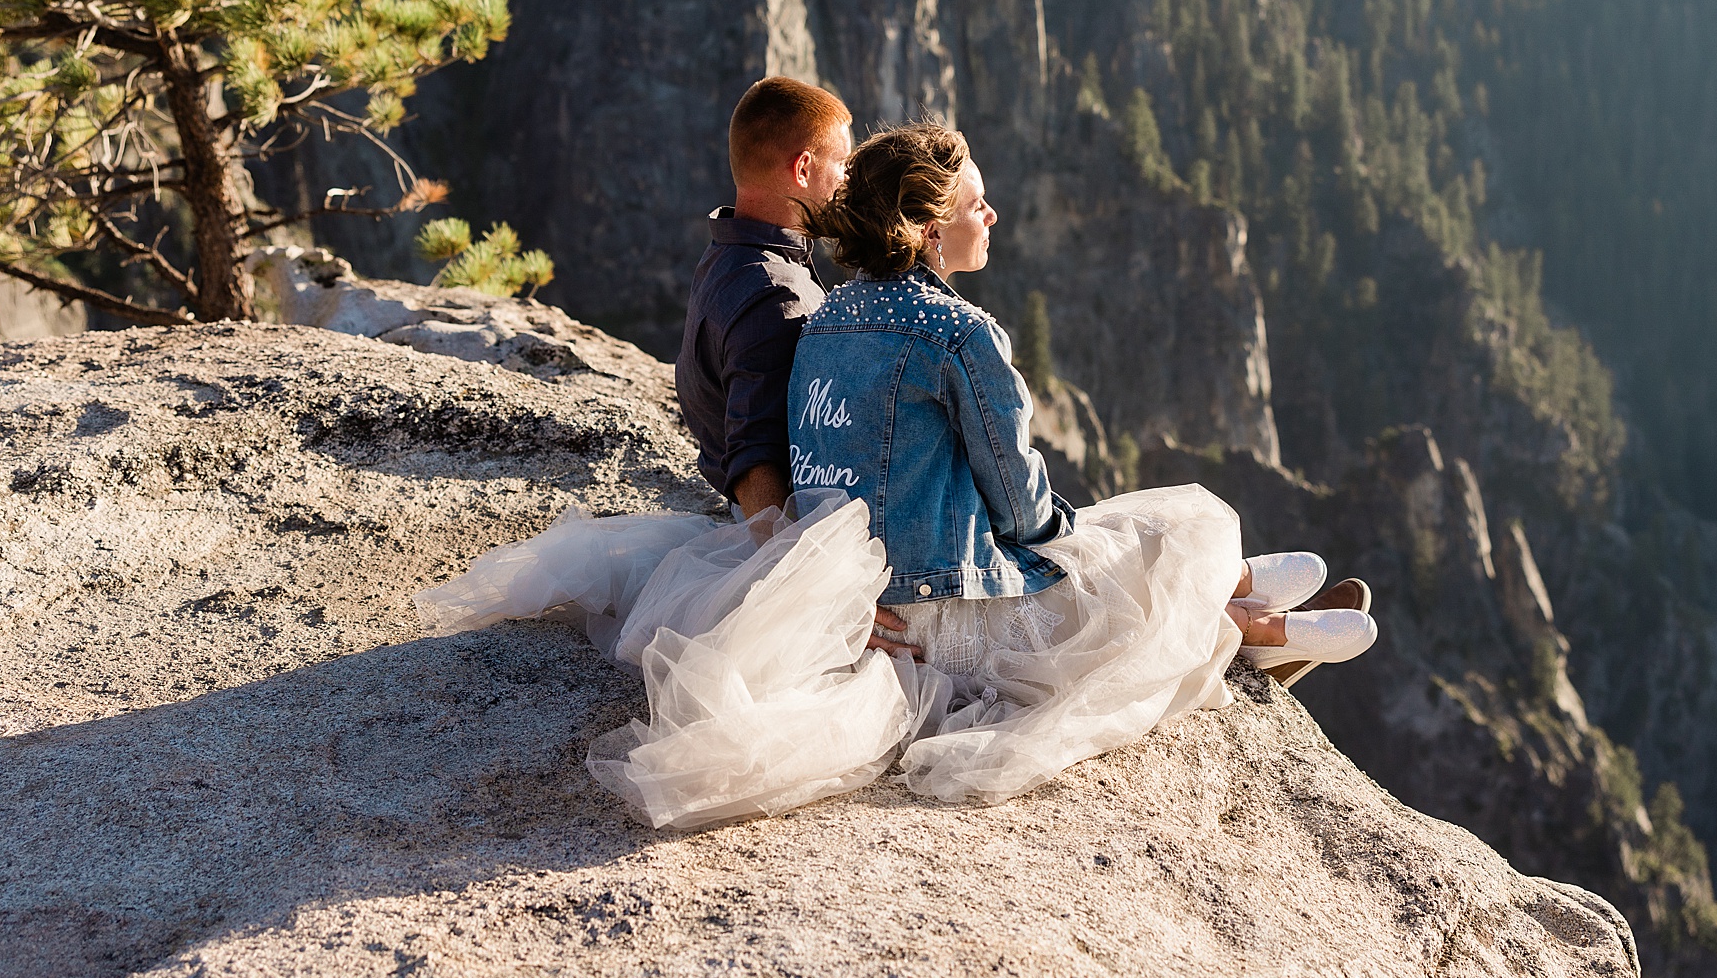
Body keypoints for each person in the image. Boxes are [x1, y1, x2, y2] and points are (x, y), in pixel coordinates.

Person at [414, 122, 1374, 830]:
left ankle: (1251, 608)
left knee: (1125, 542)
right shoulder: (963, 334)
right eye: (974, 204)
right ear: (924, 229)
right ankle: (1251, 622)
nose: (991, 215)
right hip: (946, 619)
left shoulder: (824, 321)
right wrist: (1080, 544)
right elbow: (1024, 507)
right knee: (1144, 546)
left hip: (862, 602)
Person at [672, 77, 853, 521]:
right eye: (843, 165)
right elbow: (758, 464)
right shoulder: (774, 294)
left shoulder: (726, 255)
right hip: (790, 541)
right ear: (804, 168)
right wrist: (795, 582)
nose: (849, 181)